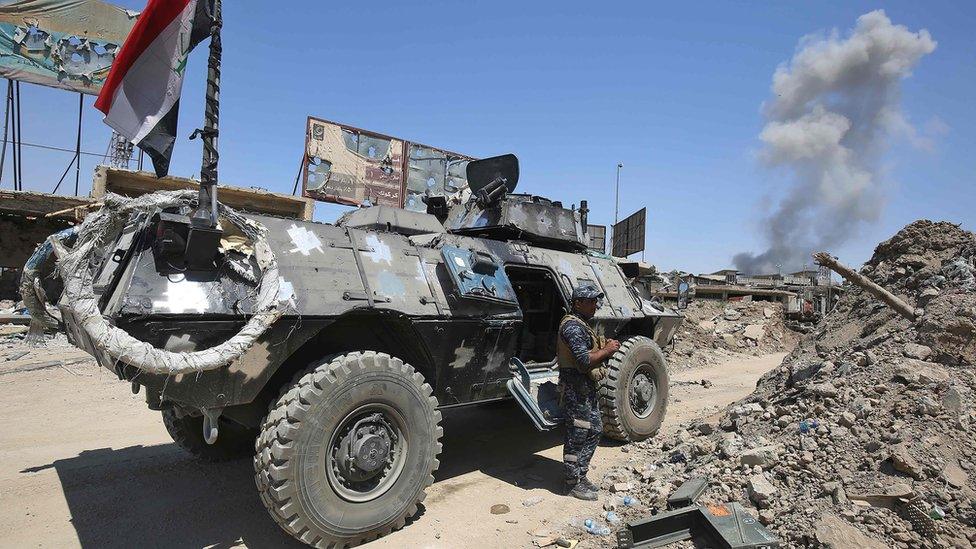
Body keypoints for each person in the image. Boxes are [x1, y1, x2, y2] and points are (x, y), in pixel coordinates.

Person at [557, 284, 620, 500]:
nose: (595, 305)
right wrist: (607, 350)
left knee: (595, 430)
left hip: (585, 389)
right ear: (577, 303)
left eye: (596, 301)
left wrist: (605, 348)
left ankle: (580, 475)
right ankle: (571, 482)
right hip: (576, 390)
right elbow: (583, 362)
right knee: (577, 435)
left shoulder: (582, 325)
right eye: (590, 301)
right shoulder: (572, 327)